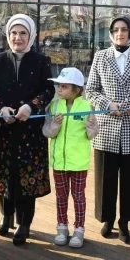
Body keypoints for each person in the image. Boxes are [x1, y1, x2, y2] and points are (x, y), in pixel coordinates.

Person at [0, 13, 54, 246]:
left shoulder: (42, 61)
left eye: (23, 33)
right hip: (3, 129)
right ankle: (6, 214)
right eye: (13, 32)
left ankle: (24, 222)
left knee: (26, 177)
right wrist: (0, 108)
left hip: (29, 131)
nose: (17, 37)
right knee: (4, 174)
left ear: (30, 35)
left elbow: (48, 91)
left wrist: (31, 107)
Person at [85, 15, 130, 244]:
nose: (120, 33)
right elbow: (91, 90)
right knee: (106, 178)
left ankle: (125, 221)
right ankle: (108, 218)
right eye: (115, 30)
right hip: (107, 129)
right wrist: (107, 105)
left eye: (124, 29)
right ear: (110, 34)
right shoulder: (100, 57)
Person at [43, 67, 99, 248]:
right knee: (61, 196)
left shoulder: (87, 106)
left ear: (76, 89)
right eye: (59, 86)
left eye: (64, 87)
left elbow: (92, 134)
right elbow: (48, 133)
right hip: (58, 162)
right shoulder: (53, 106)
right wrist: (55, 125)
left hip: (79, 163)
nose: (59, 90)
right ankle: (61, 227)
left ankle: (79, 229)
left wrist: (91, 125)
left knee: (78, 196)